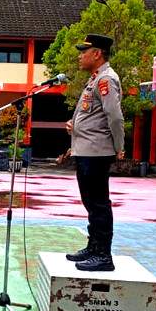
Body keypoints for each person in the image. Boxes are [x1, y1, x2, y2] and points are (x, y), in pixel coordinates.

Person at [58, 34, 124, 272]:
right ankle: (94, 246)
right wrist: (74, 124)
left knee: (98, 204)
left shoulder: (107, 80)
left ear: (97, 54)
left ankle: (104, 255)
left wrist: (119, 147)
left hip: (97, 151)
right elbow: (93, 115)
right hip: (86, 149)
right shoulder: (95, 79)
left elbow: (115, 117)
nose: (79, 56)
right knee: (90, 202)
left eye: (84, 51)